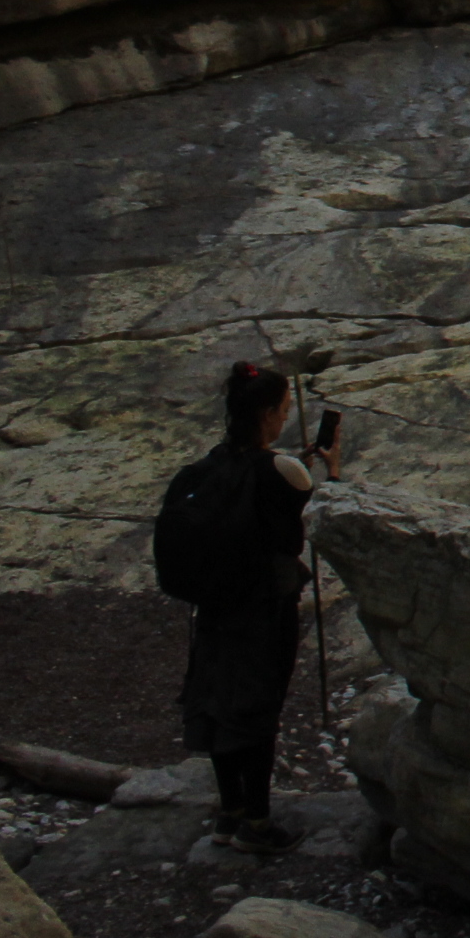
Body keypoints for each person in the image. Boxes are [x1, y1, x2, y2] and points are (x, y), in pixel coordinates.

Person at [176, 360, 343, 853]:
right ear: (268, 413)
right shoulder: (284, 470)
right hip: (266, 607)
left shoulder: (206, 468)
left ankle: (230, 812)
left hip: (215, 605)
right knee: (259, 708)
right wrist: (331, 470)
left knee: (220, 700)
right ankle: (260, 822)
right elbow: (322, 517)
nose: (286, 418)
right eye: (285, 409)